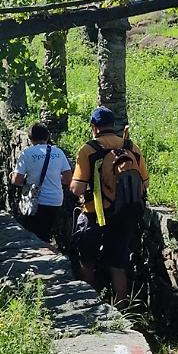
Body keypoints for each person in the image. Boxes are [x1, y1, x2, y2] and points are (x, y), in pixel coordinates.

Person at [69, 106, 149, 304]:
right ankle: (121, 308)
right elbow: (144, 183)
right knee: (118, 264)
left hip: (94, 215)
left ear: (94, 127)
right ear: (113, 125)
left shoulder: (88, 149)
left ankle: (89, 303)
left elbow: (78, 189)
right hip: (124, 215)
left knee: (86, 260)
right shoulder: (131, 147)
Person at [11, 123, 72, 243]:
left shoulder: (27, 153)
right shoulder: (58, 152)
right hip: (55, 200)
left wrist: (15, 178)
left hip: (36, 202)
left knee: (33, 235)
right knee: (46, 233)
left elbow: (17, 181)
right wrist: (53, 178)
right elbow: (67, 178)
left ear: (30, 138)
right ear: (47, 137)